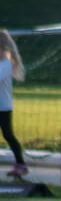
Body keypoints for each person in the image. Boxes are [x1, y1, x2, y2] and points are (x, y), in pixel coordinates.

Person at [0, 29, 27, 179]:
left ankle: (21, 165)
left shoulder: (6, 64)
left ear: (3, 48)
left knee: (8, 135)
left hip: (3, 107)